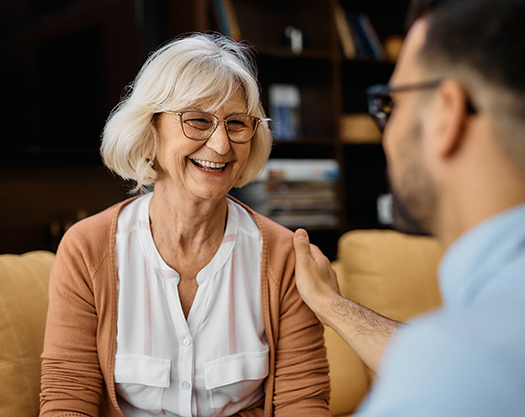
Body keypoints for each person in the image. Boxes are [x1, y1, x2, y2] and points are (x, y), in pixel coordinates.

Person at [40, 33, 330, 417]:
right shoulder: (87, 249)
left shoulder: (284, 257)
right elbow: (68, 397)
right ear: (149, 131)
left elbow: (303, 404)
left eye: (236, 124)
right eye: (197, 120)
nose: (221, 145)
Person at [293, 0, 525, 415]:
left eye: (390, 104)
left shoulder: (456, 369)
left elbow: (456, 372)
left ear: (445, 114)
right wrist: (331, 304)